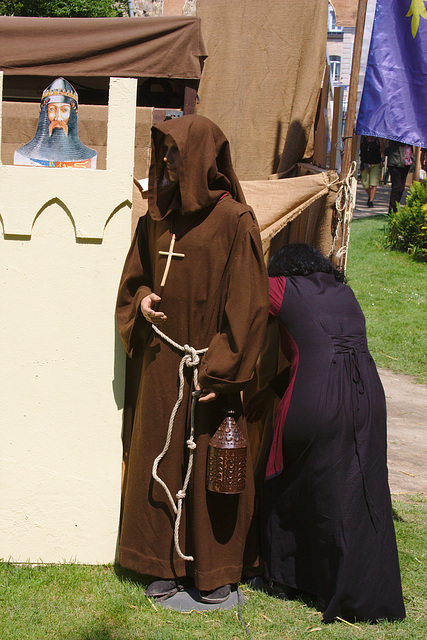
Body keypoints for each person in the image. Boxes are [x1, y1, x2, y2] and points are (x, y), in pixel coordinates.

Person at [116, 114, 269, 604]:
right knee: (158, 458)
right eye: (164, 153)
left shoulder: (234, 222)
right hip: (162, 366)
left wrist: (221, 368)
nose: (168, 161)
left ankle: (213, 570)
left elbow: (248, 307)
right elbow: (134, 280)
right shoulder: (156, 219)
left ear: (203, 157)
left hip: (207, 370)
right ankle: (159, 561)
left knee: (209, 466)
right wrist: (140, 301)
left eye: (177, 153)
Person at [245, 243, 406, 622]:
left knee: (281, 476)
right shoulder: (344, 292)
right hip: (367, 397)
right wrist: (272, 388)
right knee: (355, 489)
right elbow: (326, 349)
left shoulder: (281, 287)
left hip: (316, 396)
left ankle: (282, 579)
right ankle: (354, 587)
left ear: (283, 269)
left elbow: (239, 306)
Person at [14, 77, 97, 169]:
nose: (58, 117)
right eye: (52, 109)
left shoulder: (89, 158)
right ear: (45, 113)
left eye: (64, 110)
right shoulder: (23, 156)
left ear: (71, 114)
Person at [384, 140, 414, 212]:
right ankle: (392, 209)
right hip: (395, 163)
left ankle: (396, 206)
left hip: (406, 163)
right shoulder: (396, 135)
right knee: (396, 187)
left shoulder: (411, 138)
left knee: (401, 188)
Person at [359, 135, 382, 207]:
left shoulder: (377, 139)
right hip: (365, 164)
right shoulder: (363, 139)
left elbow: (382, 149)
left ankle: (371, 201)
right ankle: (370, 195)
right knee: (365, 184)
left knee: (373, 183)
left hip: (375, 164)